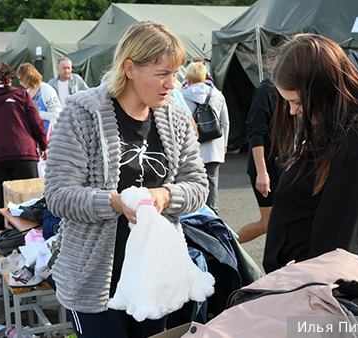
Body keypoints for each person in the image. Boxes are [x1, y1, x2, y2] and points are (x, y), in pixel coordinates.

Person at [44, 21, 208, 338]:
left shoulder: (175, 118)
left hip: (153, 275)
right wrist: (114, 202)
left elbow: (199, 186)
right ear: (130, 68)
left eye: (175, 74)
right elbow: (59, 195)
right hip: (94, 279)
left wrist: (166, 196)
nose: (172, 84)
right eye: (163, 73)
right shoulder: (82, 113)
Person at [262, 34, 358, 274]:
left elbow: (337, 242)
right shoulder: (337, 128)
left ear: (322, 88)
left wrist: (311, 289)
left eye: (297, 101)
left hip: (316, 290)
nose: (294, 111)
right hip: (303, 281)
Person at [0, 62, 47, 215]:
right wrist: (43, 145)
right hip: (23, 153)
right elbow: (36, 122)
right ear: (9, 79)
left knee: (5, 202)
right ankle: (29, 236)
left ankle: (7, 234)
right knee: (30, 201)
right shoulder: (21, 95)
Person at [237, 33, 288, 244]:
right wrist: (262, 172)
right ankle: (220, 248)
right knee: (267, 223)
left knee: (284, 221)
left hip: (284, 165)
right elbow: (255, 133)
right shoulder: (266, 91)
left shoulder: (291, 91)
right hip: (266, 167)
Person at [182, 61, 229, 215]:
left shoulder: (182, 96)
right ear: (205, 78)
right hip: (214, 146)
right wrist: (225, 144)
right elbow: (225, 122)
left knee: (192, 182)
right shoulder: (217, 95)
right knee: (212, 181)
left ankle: (196, 213)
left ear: (188, 79)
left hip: (192, 148)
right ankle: (213, 214)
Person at [16, 63, 62, 133]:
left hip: (48, 136)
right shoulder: (26, 93)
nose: (20, 83)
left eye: (20, 79)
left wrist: (37, 114)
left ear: (26, 77)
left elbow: (57, 115)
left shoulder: (46, 89)